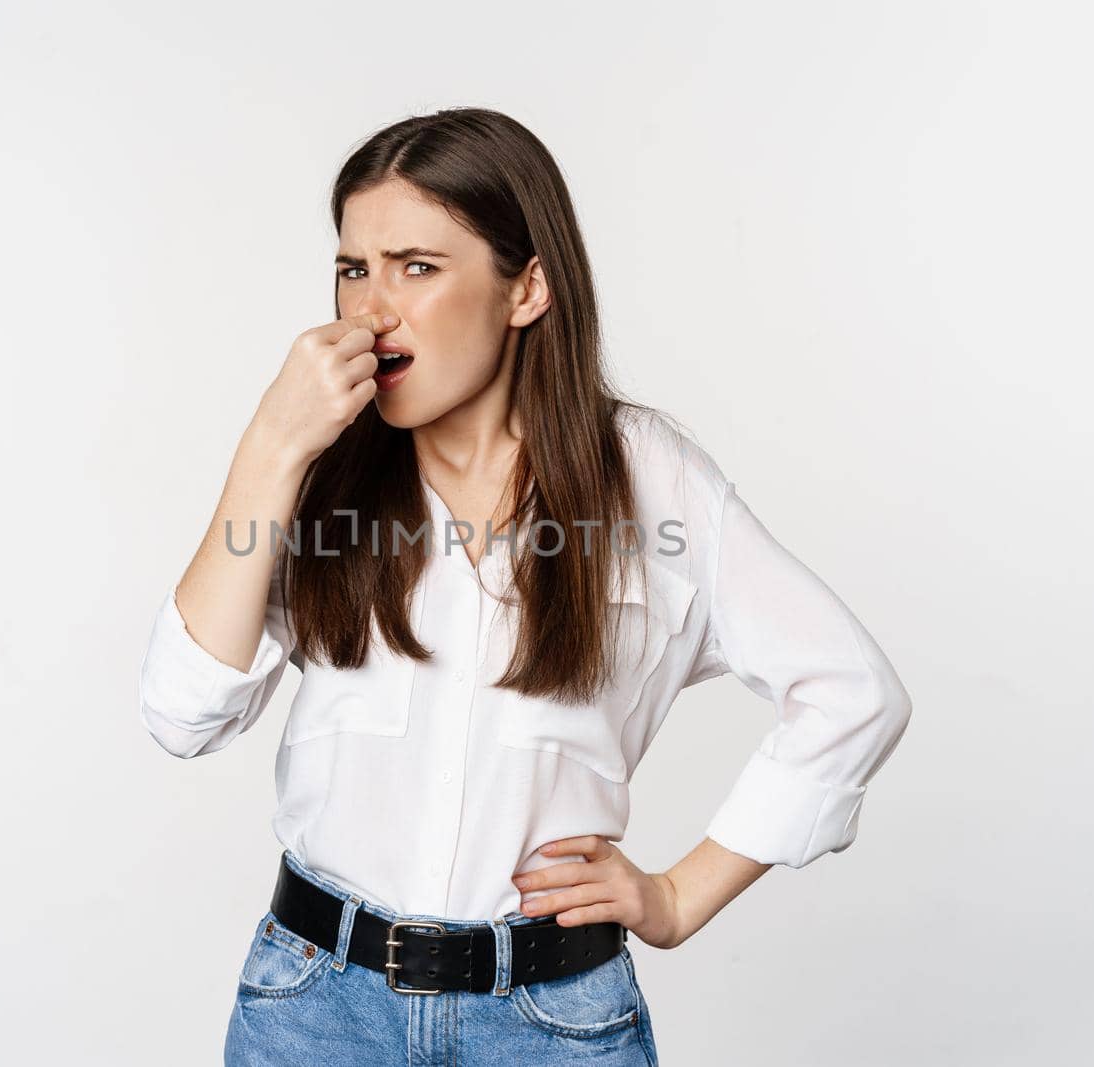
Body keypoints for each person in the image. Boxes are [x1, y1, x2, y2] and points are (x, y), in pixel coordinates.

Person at [138, 107, 913, 1066]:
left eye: (417, 266)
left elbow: (850, 690)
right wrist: (270, 448)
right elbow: (182, 714)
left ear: (528, 287)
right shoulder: (320, 470)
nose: (370, 309)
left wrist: (677, 896)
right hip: (314, 1010)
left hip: (551, 1024)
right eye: (353, 268)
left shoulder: (647, 478)